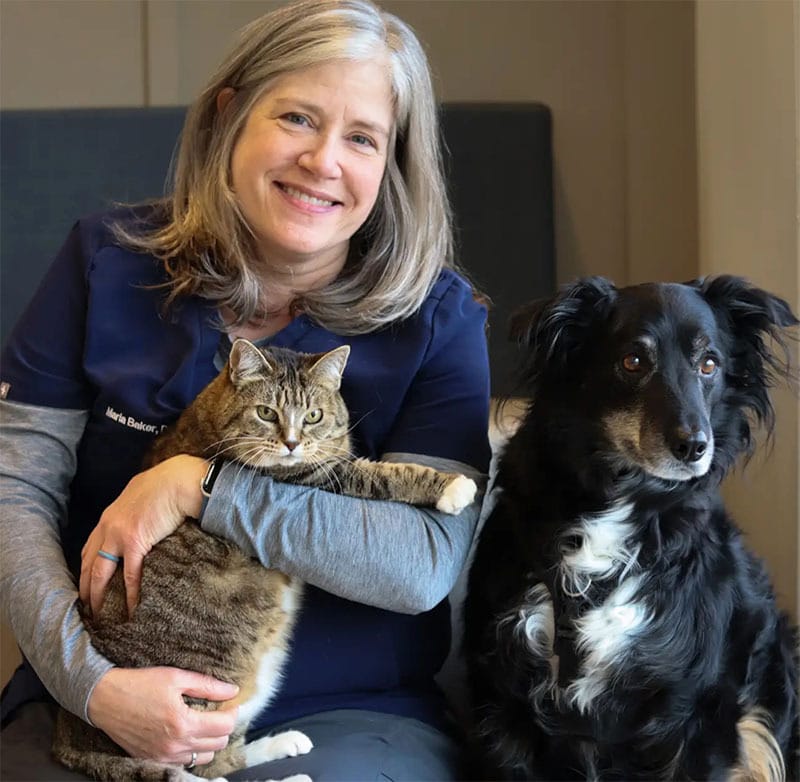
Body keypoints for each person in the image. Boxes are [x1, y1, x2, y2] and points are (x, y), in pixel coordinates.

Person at [0, 0, 491, 779]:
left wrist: (201, 488)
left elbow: (421, 564)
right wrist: (93, 688)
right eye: (297, 118)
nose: (323, 161)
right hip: (97, 697)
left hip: (347, 713)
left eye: (362, 138)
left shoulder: (438, 319)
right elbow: (14, 497)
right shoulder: (105, 262)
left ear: (392, 165)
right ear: (229, 116)